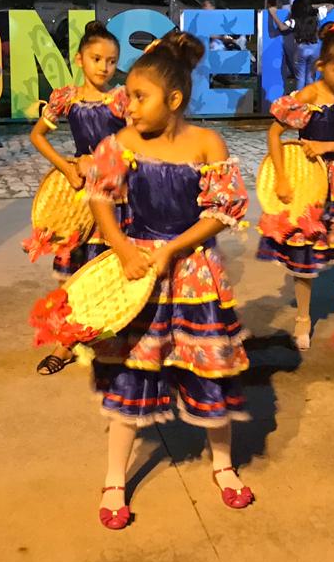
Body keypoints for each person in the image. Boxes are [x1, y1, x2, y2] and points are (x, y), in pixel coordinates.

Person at [77, 30, 252, 529]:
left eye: (139, 96)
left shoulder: (207, 143)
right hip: (140, 279)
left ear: (173, 100)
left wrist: (174, 249)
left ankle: (223, 464)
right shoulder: (119, 143)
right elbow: (100, 198)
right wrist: (123, 248)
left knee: (208, 369)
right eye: (127, 95)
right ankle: (115, 477)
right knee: (134, 370)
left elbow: (224, 211)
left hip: (195, 273)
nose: (127, 105)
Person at [257, 28, 334, 349]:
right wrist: (282, 178)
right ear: (321, 65)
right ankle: (303, 318)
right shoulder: (307, 97)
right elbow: (273, 135)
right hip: (309, 182)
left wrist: (325, 147)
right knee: (306, 252)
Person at [26, 21, 126, 376]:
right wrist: (67, 167)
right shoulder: (65, 98)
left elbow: (136, 146)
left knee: (107, 272)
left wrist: (104, 163)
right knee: (72, 277)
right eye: (97, 58)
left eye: (111, 61)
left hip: (115, 195)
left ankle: (109, 339)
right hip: (79, 197)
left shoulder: (123, 100)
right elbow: (37, 135)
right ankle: (65, 343)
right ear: (79, 58)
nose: (104, 66)